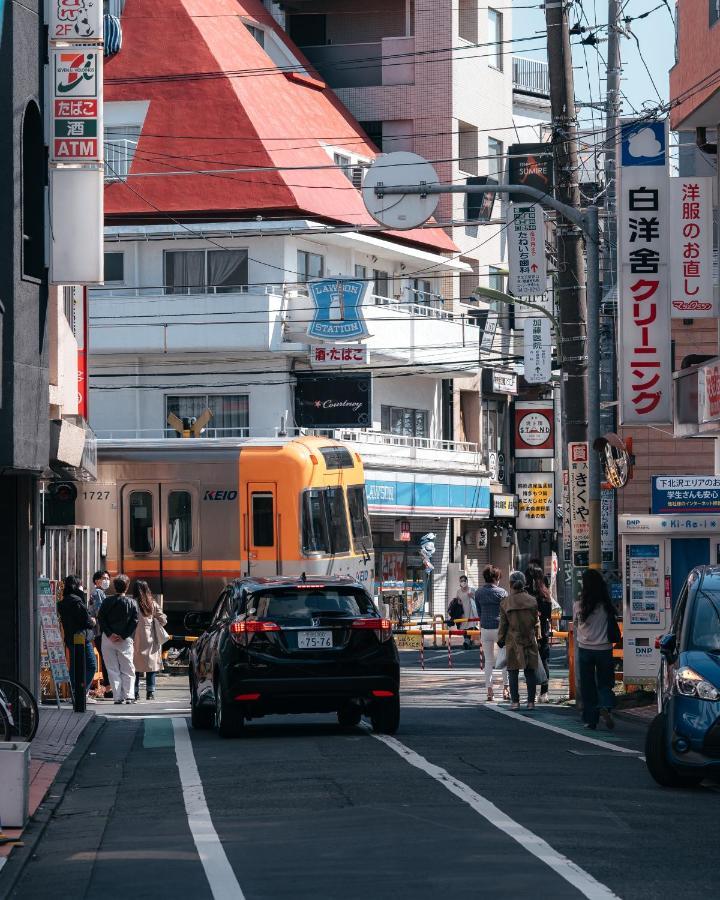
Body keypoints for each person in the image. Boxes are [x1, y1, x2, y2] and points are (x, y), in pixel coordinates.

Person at [574, 569, 616, 730]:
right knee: (605, 683)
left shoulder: (579, 605)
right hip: (604, 649)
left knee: (588, 685)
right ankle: (605, 706)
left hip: (585, 649)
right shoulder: (606, 605)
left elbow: (577, 625)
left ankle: (590, 720)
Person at [497, 570, 540, 711]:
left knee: (513, 670)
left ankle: (515, 702)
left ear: (510, 584)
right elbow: (535, 621)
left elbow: (503, 625)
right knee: (530, 670)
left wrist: (500, 639)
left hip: (513, 639)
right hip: (529, 637)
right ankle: (531, 702)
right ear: (524, 583)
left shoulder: (505, 603)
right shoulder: (532, 601)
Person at [98, 574, 139, 704]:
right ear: (127, 587)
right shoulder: (132, 602)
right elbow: (134, 621)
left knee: (112, 668)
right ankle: (129, 695)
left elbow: (101, 619)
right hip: (124, 640)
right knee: (128, 668)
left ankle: (117, 697)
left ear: (114, 587)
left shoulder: (107, 601)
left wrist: (110, 634)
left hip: (108, 639)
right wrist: (124, 635)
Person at [57, 575, 97, 704]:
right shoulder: (77, 602)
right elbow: (86, 621)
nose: (82, 587)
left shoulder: (63, 603)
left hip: (70, 638)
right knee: (91, 665)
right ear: (76, 586)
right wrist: (93, 622)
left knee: (75, 666)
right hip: (82, 638)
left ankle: (74, 693)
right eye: (81, 584)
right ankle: (81, 693)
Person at [475, 565, 510, 701]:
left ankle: (489, 690)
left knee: (488, 661)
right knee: (504, 660)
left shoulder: (478, 593)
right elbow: (507, 612)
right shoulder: (502, 593)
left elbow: (479, 612)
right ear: (496, 578)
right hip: (500, 629)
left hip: (485, 628)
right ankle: (505, 689)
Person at [132, 580, 168, 701]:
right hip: (150, 639)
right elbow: (163, 620)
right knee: (151, 666)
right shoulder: (152, 603)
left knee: (135, 666)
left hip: (134, 639)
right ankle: (150, 692)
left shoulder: (132, 603)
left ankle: (135, 692)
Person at [527, 565, 553, 703]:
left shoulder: (527, 595)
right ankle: (544, 693)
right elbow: (549, 615)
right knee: (544, 661)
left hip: (528, 631)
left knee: (530, 663)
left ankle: (532, 693)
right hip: (543, 631)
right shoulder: (545, 595)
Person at [89, 570, 111, 698]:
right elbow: (99, 613)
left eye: (108, 578)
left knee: (106, 660)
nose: (106, 580)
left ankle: (108, 688)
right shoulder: (98, 593)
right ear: (96, 580)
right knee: (107, 660)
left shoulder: (99, 593)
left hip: (98, 632)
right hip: (101, 632)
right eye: (104, 578)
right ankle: (108, 689)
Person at [454, 574, 477, 649]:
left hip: (470, 612)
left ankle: (467, 641)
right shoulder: (458, 592)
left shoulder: (472, 590)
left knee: (470, 627)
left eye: (464, 580)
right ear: (459, 582)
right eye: (461, 581)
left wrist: (472, 596)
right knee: (464, 627)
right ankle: (467, 641)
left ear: (467, 581)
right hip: (462, 612)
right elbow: (456, 601)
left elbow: (477, 600)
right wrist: (458, 602)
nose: (463, 582)